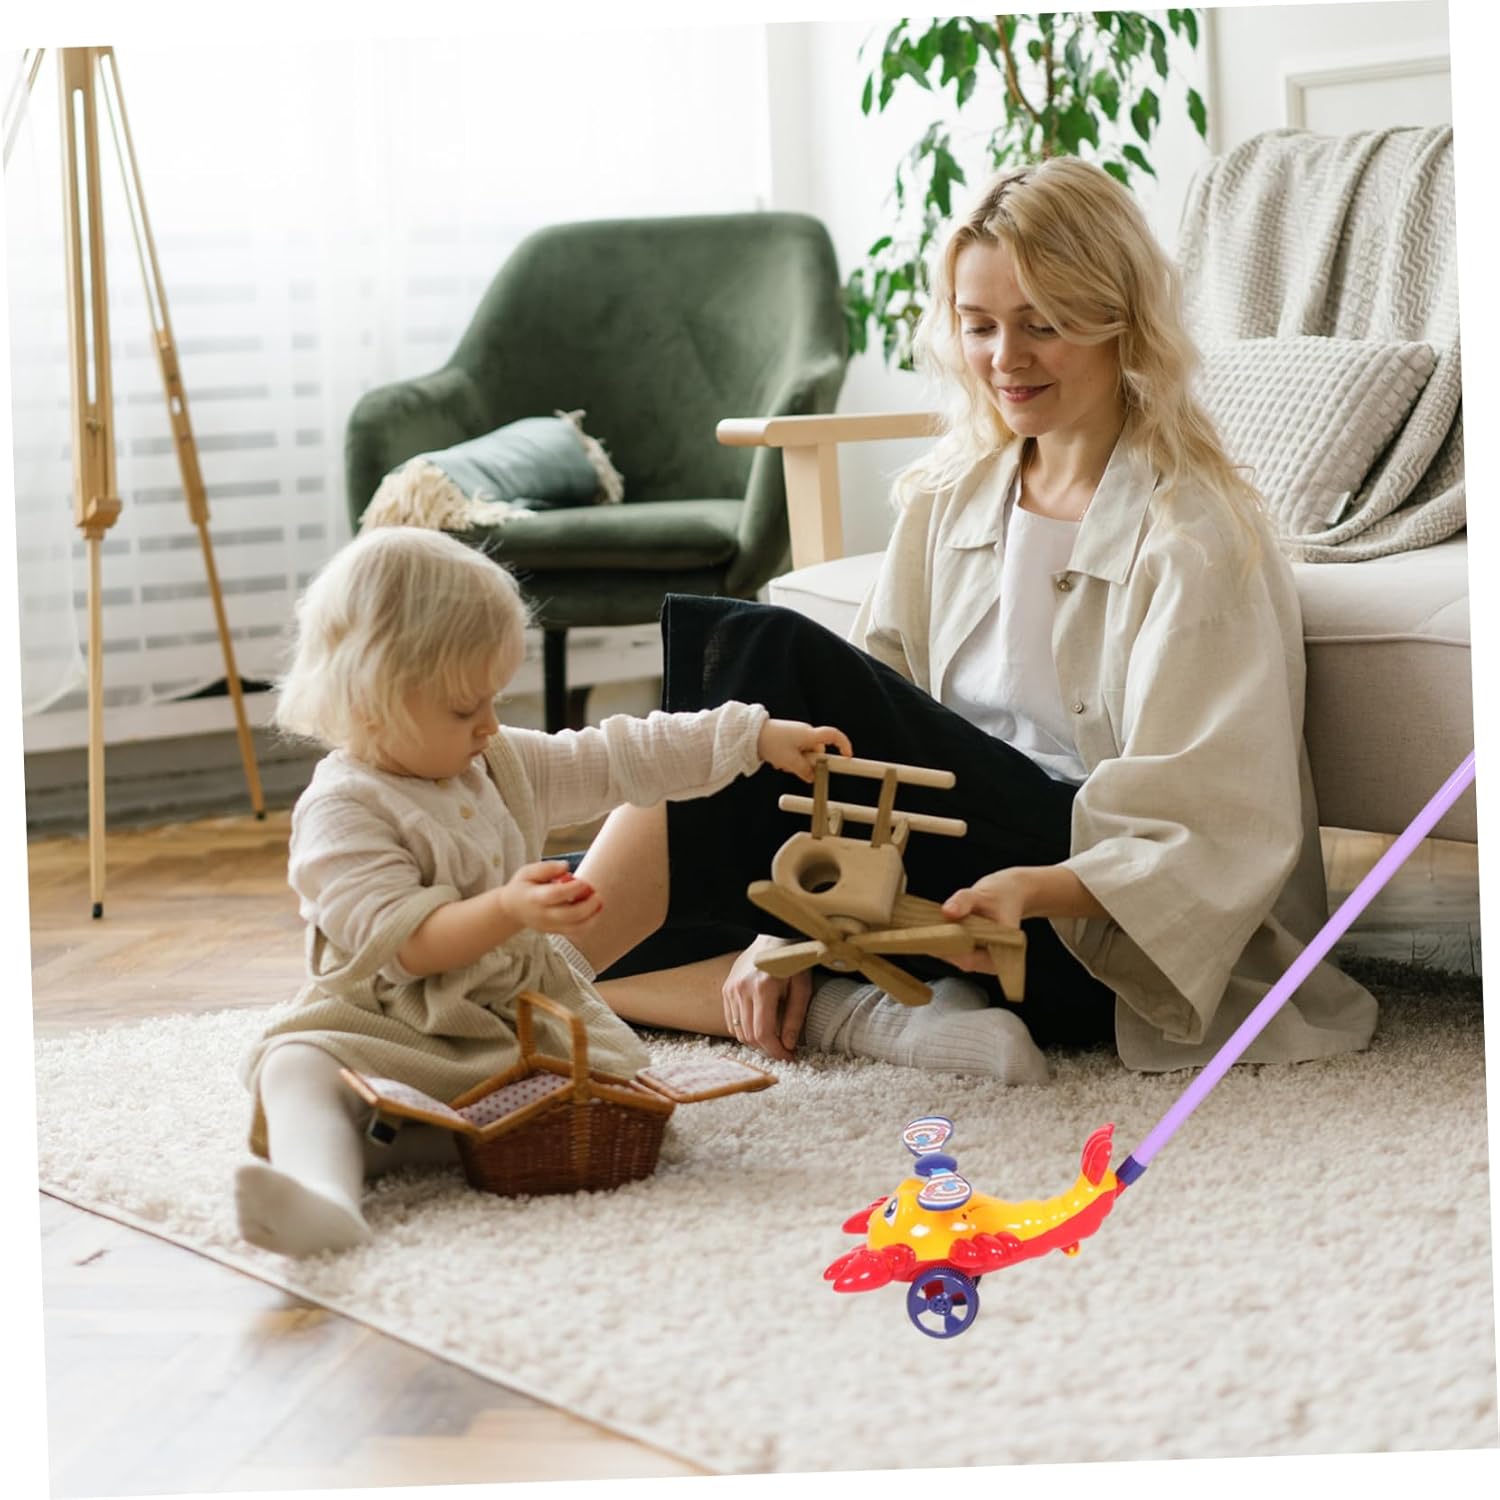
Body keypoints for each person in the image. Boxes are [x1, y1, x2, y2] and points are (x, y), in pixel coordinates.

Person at [572, 156, 1378, 1083]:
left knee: (762, 654)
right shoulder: (950, 496)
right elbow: (864, 734)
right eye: (980, 325)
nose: (1005, 358)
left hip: (1075, 926)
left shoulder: (1196, 537)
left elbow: (1215, 821)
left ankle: (508, 998)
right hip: (934, 884)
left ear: (1120, 321)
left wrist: (1036, 887)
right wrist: (789, 923)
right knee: (609, 882)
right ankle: (877, 1022)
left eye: (1043, 324)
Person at [235, 525, 849, 1256]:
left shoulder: (495, 761)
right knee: (293, 1064)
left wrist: (751, 737)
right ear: (372, 702)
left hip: (510, 1023)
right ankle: (324, 1195)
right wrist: (507, 909)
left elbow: (618, 756)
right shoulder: (341, 810)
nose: (490, 724)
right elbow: (407, 948)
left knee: (608, 1100)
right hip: (388, 1023)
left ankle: (401, 1141)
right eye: (465, 709)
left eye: (493, 699)